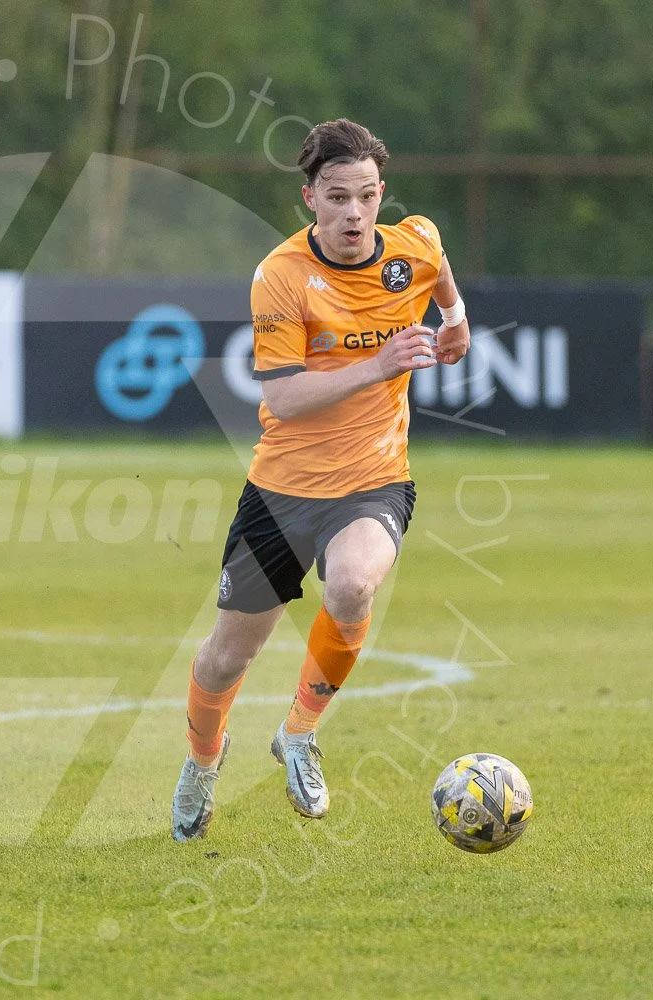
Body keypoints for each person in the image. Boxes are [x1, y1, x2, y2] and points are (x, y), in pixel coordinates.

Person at [171, 118, 470, 841]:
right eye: (338, 198)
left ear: (381, 195)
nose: (354, 213)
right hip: (281, 492)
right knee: (225, 657)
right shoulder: (280, 276)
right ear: (311, 198)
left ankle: (300, 732)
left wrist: (457, 320)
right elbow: (281, 397)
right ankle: (202, 763)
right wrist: (379, 364)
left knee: (355, 583)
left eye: (366, 196)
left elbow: (438, 265)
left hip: (373, 479)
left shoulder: (411, 246)